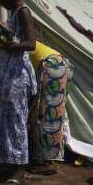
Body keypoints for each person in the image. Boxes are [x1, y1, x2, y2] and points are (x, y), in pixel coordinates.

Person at [0, 0, 37, 184]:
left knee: (17, 122)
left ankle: (20, 168)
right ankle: (8, 162)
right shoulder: (14, 13)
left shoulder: (23, 12)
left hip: (18, 76)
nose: (0, 2)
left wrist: (8, 46)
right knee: (7, 120)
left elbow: (31, 44)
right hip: (10, 75)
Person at [28, 41, 72, 170]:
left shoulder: (13, 40)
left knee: (49, 113)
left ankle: (47, 162)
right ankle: (42, 158)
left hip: (52, 65)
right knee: (44, 112)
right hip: (54, 64)